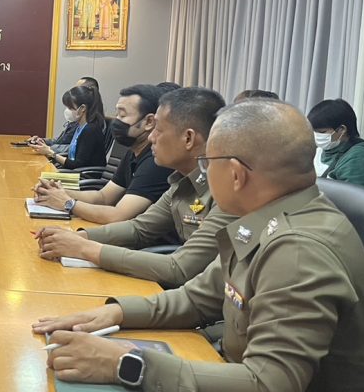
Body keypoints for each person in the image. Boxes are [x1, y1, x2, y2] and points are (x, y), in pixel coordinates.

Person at [32, 100, 364, 392]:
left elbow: (267, 390)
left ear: (235, 174)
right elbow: (196, 298)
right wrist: (115, 312)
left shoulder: (297, 250)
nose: (203, 174)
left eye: (208, 163)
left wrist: (125, 363)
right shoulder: (265, 220)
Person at [37, 87, 235, 288]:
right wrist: (78, 237)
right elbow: (139, 228)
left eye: (159, 130)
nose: (151, 137)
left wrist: (85, 248)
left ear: (188, 138)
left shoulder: (227, 194)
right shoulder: (182, 181)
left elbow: (180, 268)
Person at [33, 84, 173, 224]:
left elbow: (117, 215)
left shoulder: (155, 161)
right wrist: (55, 192)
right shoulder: (132, 153)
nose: (116, 121)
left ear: (149, 122)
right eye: (117, 114)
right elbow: (103, 197)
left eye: (122, 115)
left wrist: (67, 203)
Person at [307, 98, 364, 188]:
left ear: (341, 130)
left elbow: (351, 195)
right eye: (313, 131)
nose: (316, 135)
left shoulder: (359, 158)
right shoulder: (321, 150)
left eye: (322, 132)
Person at [28, 85, 106, 169]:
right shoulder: (79, 127)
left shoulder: (90, 130)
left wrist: (51, 153)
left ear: (82, 108)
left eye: (70, 107)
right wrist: (45, 147)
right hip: (73, 171)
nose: (67, 110)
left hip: (82, 174)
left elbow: (77, 164)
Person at [29, 76, 107, 152]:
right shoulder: (78, 120)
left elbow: (75, 148)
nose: (74, 91)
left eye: (78, 89)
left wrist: (49, 149)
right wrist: (42, 141)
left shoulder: (92, 124)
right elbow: (61, 140)